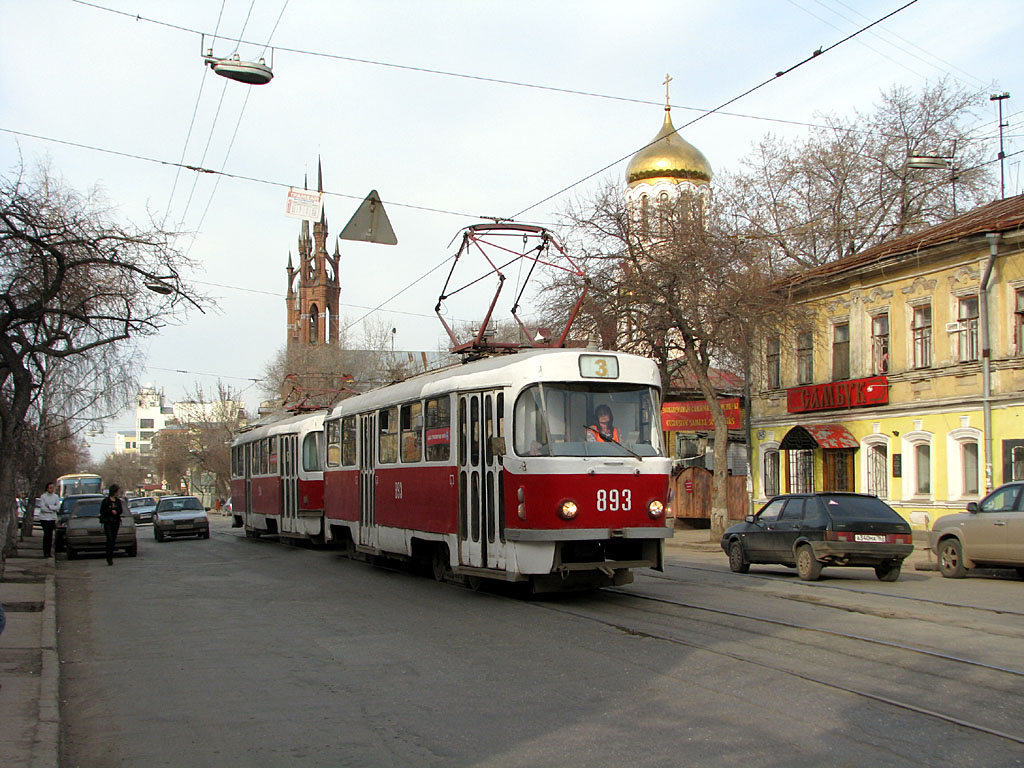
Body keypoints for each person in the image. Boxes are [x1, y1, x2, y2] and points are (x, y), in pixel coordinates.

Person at [99, 484, 123, 566]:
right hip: (108, 522)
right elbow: (102, 511)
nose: (118, 493)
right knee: (109, 539)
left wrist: (117, 512)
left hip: (116, 522)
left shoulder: (118, 501)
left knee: (113, 539)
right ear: (114, 492)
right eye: (117, 491)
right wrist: (110, 511)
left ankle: (111, 554)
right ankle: (108, 557)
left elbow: (120, 510)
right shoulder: (106, 501)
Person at [37, 482, 61, 558]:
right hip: (44, 518)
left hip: (52, 518)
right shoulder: (43, 496)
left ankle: (49, 552)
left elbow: (58, 507)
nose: (52, 489)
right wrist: (52, 509)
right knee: (46, 534)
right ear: (47, 488)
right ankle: (45, 552)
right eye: (50, 488)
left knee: (50, 535)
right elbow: (43, 508)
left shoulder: (56, 496)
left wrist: (49, 507)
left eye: (53, 488)